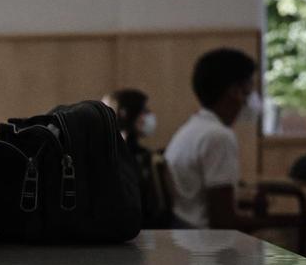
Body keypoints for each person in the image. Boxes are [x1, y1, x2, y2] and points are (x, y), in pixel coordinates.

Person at [163, 48, 261, 230]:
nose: (254, 97)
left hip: (185, 234)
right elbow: (223, 222)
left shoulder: (192, 129)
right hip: (207, 246)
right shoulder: (218, 137)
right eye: (249, 87)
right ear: (235, 91)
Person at [106, 89, 169, 228]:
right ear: (127, 114)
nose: (149, 117)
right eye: (145, 111)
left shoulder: (110, 152)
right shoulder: (141, 159)